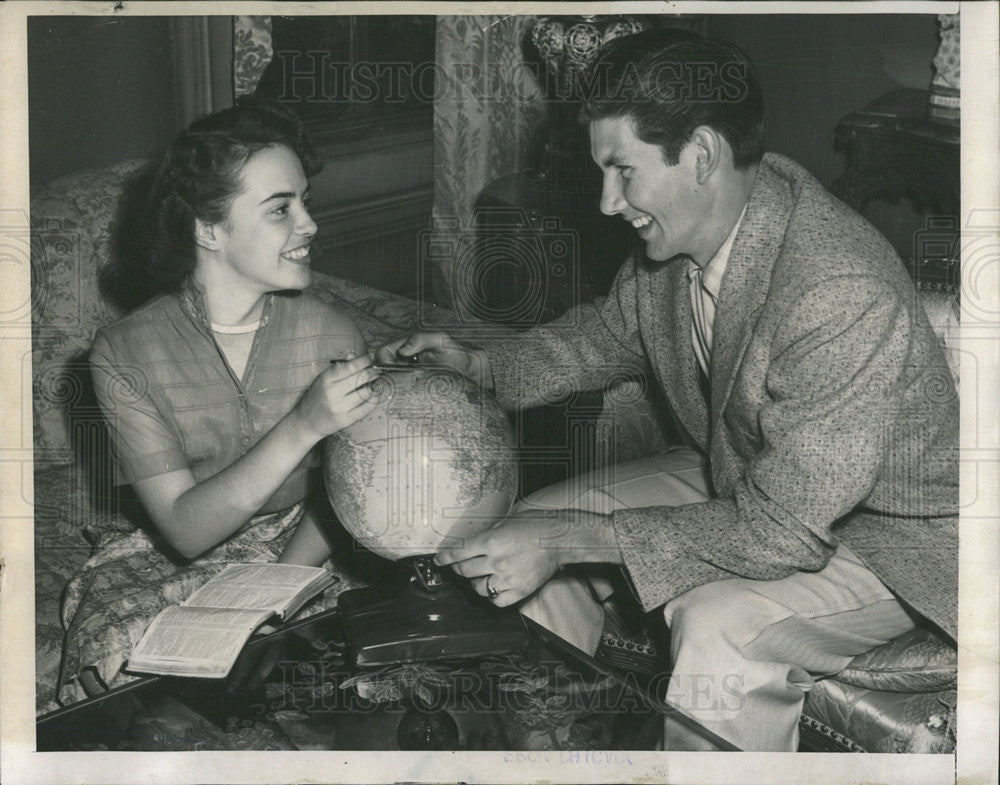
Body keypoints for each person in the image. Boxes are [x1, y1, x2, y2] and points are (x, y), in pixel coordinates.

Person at [378, 29, 959, 751]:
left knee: (722, 630)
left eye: (622, 170)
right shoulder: (687, 236)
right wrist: (482, 369)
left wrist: (571, 541)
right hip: (745, 475)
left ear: (704, 155)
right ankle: (552, 750)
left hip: (890, 536)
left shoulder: (839, 289)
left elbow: (785, 531)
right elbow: (599, 336)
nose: (606, 201)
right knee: (522, 531)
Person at [59, 98, 381, 704]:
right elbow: (183, 529)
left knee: (349, 672)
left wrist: (277, 588)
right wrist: (303, 424)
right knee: (126, 677)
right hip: (180, 553)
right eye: (281, 209)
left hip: (314, 544)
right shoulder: (124, 353)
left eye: (305, 201)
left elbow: (347, 494)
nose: (309, 225)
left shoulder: (332, 334)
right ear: (207, 230)